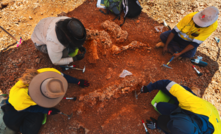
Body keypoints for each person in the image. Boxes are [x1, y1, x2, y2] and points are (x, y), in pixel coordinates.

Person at [1, 68, 89, 134]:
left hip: (26, 104)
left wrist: (77, 81)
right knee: (10, 123)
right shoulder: (21, 100)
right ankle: (3, 102)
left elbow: (62, 76)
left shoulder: (48, 72)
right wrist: (46, 110)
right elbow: (30, 109)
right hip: (16, 106)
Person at [140, 79, 221, 134]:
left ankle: (168, 122)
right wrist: (149, 88)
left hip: (207, 121)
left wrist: (159, 126)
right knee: (161, 106)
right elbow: (167, 84)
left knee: (162, 119)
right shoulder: (190, 103)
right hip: (204, 110)